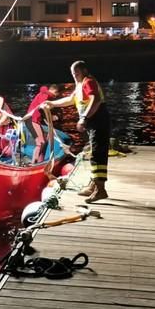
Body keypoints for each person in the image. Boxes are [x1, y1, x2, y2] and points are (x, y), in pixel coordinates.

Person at [42, 60, 110, 203]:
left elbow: (95, 99)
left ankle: (100, 189)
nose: (74, 76)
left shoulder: (88, 82)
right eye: (73, 73)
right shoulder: (80, 85)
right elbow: (71, 99)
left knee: (98, 154)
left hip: (98, 121)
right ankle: (93, 184)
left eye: (77, 73)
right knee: (93, 152)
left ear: (84, 71)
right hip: (92, 122)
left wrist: (83, 118)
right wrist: (52, 103)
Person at [23, 84, 60, 163]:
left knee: (45, 140)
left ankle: (40, 161)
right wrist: (52, 115)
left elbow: (42, 110)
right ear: (54, 91)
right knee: (40, 142)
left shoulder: (45, 94)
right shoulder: (46, 94)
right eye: (57, 94)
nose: (56, 96)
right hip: (31, 119)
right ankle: (34, 163)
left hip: (35, 120)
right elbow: (42, 105)